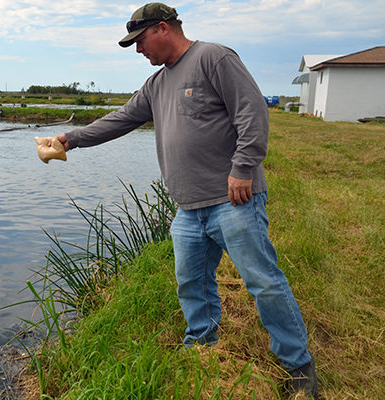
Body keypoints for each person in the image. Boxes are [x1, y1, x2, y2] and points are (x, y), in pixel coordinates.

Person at [50, 3, 319, 398]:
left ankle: (298, 364)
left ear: (163, 28)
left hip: (233, 201)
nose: (138, 50)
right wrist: (70, 139)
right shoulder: (157, 84)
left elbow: (252, 114)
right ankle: (202, 347)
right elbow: (121, 119)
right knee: (191, 284)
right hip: (187, 210)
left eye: (140, 41)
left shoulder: (214, 57)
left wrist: (243, 167)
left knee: (264, 283)